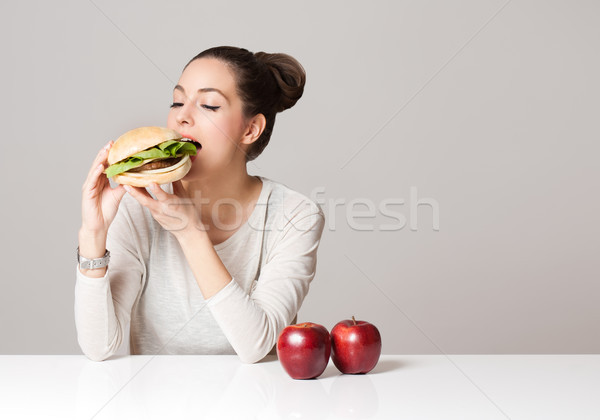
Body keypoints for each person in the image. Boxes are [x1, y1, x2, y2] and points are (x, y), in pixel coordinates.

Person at [75, 46, 325, 363]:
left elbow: (256, 345)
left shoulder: (295, 215)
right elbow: (99, 347)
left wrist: (190, 233)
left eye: (208, 105)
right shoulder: (138, 204)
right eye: (177, 101)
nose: (182, 115)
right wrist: (92, 237)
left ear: (251, 129)